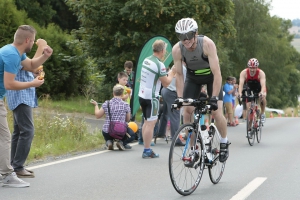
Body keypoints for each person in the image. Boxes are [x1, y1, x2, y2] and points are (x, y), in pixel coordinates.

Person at [0, 25, 53, 187]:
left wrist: (45, 56)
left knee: (7, 135)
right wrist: (32, 83)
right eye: (33, 40)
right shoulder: (11, 55)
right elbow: (9, 84)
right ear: (28, 40)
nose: (34, 44)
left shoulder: (16, 52)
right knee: (5, 136)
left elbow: (31, 65)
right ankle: (7, 174)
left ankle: (9, 171)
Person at [172, 18, 230, 163]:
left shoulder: (207, 44)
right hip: (193, 79)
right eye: (181, 36)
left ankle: (224, 141)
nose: (186, 40)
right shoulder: (177, 49)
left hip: (211, 78)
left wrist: (214, 97)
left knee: (216, 112)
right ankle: (193, 150)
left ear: (196, 33)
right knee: (187, 111)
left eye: (189, 35)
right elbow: (179, 75)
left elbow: (217, 74)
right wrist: (180, 98)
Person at [6, 39, 47, 179]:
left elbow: (31, 68)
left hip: (20, 97)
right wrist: (41, 47)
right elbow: (31, 65)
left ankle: (14, 165)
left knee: (18, 132)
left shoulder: (18, 55)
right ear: (27, 40)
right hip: (20, 97)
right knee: (27, 131)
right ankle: (17, 167)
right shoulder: (16, 56)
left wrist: (34, 75)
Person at [138, 39, 175, 158]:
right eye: (165, 50)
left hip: (142, 94)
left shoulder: (146, 59)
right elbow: (166, 83)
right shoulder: (159, 65)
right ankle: (147, 150)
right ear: (162, 50)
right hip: (151, 97)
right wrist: (173, 72)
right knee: (151, 123)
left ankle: (145, 145)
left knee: (146, 120)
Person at [90, 84, 135, 150]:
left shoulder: (107, 103)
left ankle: (109, 141)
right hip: (121, 131)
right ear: (122, 94)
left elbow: (97, 115)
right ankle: (121, 142)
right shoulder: (126, 105)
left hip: (108, 131)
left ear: (113, 93)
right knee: (133, 135)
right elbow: (127, 119)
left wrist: (96, 105)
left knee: (106, 129)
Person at [156, 63, 187, 146]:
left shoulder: (175, 65)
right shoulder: (183, 68)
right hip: (172, 92)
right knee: (175, 116)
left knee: (165, 113)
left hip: (165, 90)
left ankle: (160, 132)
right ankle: (176, 139)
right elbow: (181, 83)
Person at [238, 58, 267, 135]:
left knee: (263, 97)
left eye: (254, 68)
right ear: (248, 67)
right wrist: (240, 93)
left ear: (257, 67)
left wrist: (261, 93)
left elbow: (263, 85)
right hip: (249, 87)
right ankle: (250, 127)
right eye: (251, 67)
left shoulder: (261, 73)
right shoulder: (244, 73)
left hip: (259, 87)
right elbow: (241, 84)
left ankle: (263, 113)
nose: (252, 69)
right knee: (249, 107)